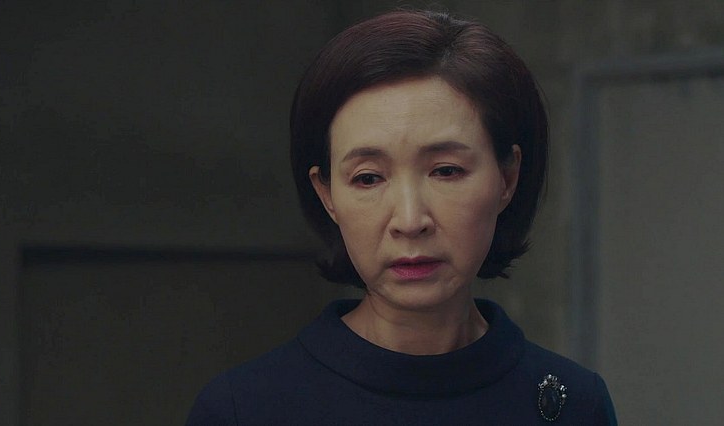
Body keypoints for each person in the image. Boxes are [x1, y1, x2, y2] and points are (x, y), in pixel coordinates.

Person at [186, 9, 616, 425]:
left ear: (507, 178)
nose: (410, 221)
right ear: (326, 194)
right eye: (368, 178)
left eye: (446, 171)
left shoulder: (574, 404)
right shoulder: (245, 409)